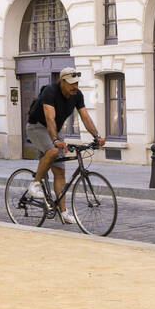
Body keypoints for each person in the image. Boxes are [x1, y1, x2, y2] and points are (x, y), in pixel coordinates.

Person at [25, 67, 104, 216]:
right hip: (37, 127)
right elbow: (50, 118)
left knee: (60, 172)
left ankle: (63, 212)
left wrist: (97, 136)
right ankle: (35, 184)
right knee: (53, 151)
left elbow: (85, 117)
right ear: (62, 82)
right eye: (72, 83)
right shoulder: (50, 91)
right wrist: (55, 140)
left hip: (55, 130)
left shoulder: (77, 95)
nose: (75, 87)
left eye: (77, 83)